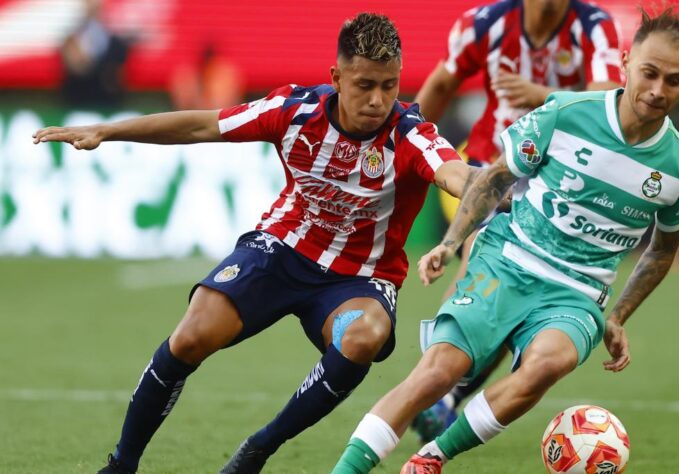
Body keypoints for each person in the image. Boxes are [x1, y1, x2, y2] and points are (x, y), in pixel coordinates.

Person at [34, 13, 476, 474]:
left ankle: (259, 448)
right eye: (365, 85)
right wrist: (107, 131)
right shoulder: (294, 110)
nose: (378, 100)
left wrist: (492, 188)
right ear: (336, 78)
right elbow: (201, 126)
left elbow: (455, 174)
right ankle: (121, 465)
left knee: (363, 336)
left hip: (360, 279)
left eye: (389, 85)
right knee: (191, 335)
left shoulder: (411, 133)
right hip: (282, 249)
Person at [332, 5, 679, 473]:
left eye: (673, 80)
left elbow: (662, 251)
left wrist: (618, 316)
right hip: (507, 258)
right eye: (649, 73)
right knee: (438, 371)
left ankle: (431, 458)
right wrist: (451, 243)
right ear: (626, 63)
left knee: (548, 363)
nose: (657, 90)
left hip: (577, 292)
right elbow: (495, 178)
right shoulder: (566, 113)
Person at [411, 0, 623, 440]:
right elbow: (442, 82)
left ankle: (444, 395)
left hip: (556, 180)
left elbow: (607, 101)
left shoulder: (593, 26)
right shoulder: (485, 24)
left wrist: (542, 96)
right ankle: (436, 386)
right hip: (494, 166)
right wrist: (405, 143)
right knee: (478, 259)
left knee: (515, 295)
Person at [60, 0, 130, 108]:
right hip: (79, 100)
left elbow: (116, 72)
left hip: (107, 101)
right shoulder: (72, 39)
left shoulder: (115, 41)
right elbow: (76, 66)